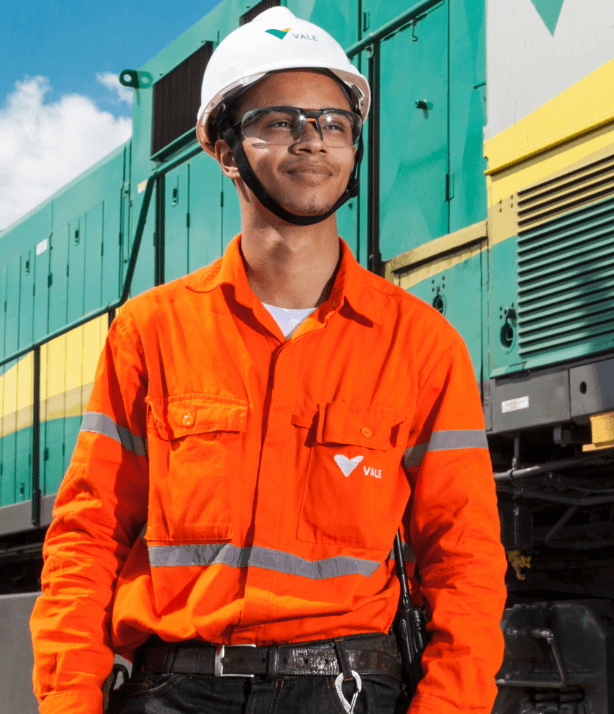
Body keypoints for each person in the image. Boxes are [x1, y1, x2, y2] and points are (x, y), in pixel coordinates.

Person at [30, 7, 507, 714]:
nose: (313, 141)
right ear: (223, 149)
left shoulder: (421, 345)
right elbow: (88, 536)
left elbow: (464, 560)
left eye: (333, 123)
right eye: (281, 121)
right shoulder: (149, 332)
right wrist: (70, 701)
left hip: (349, 691)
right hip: (176, 689)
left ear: (354, 149)